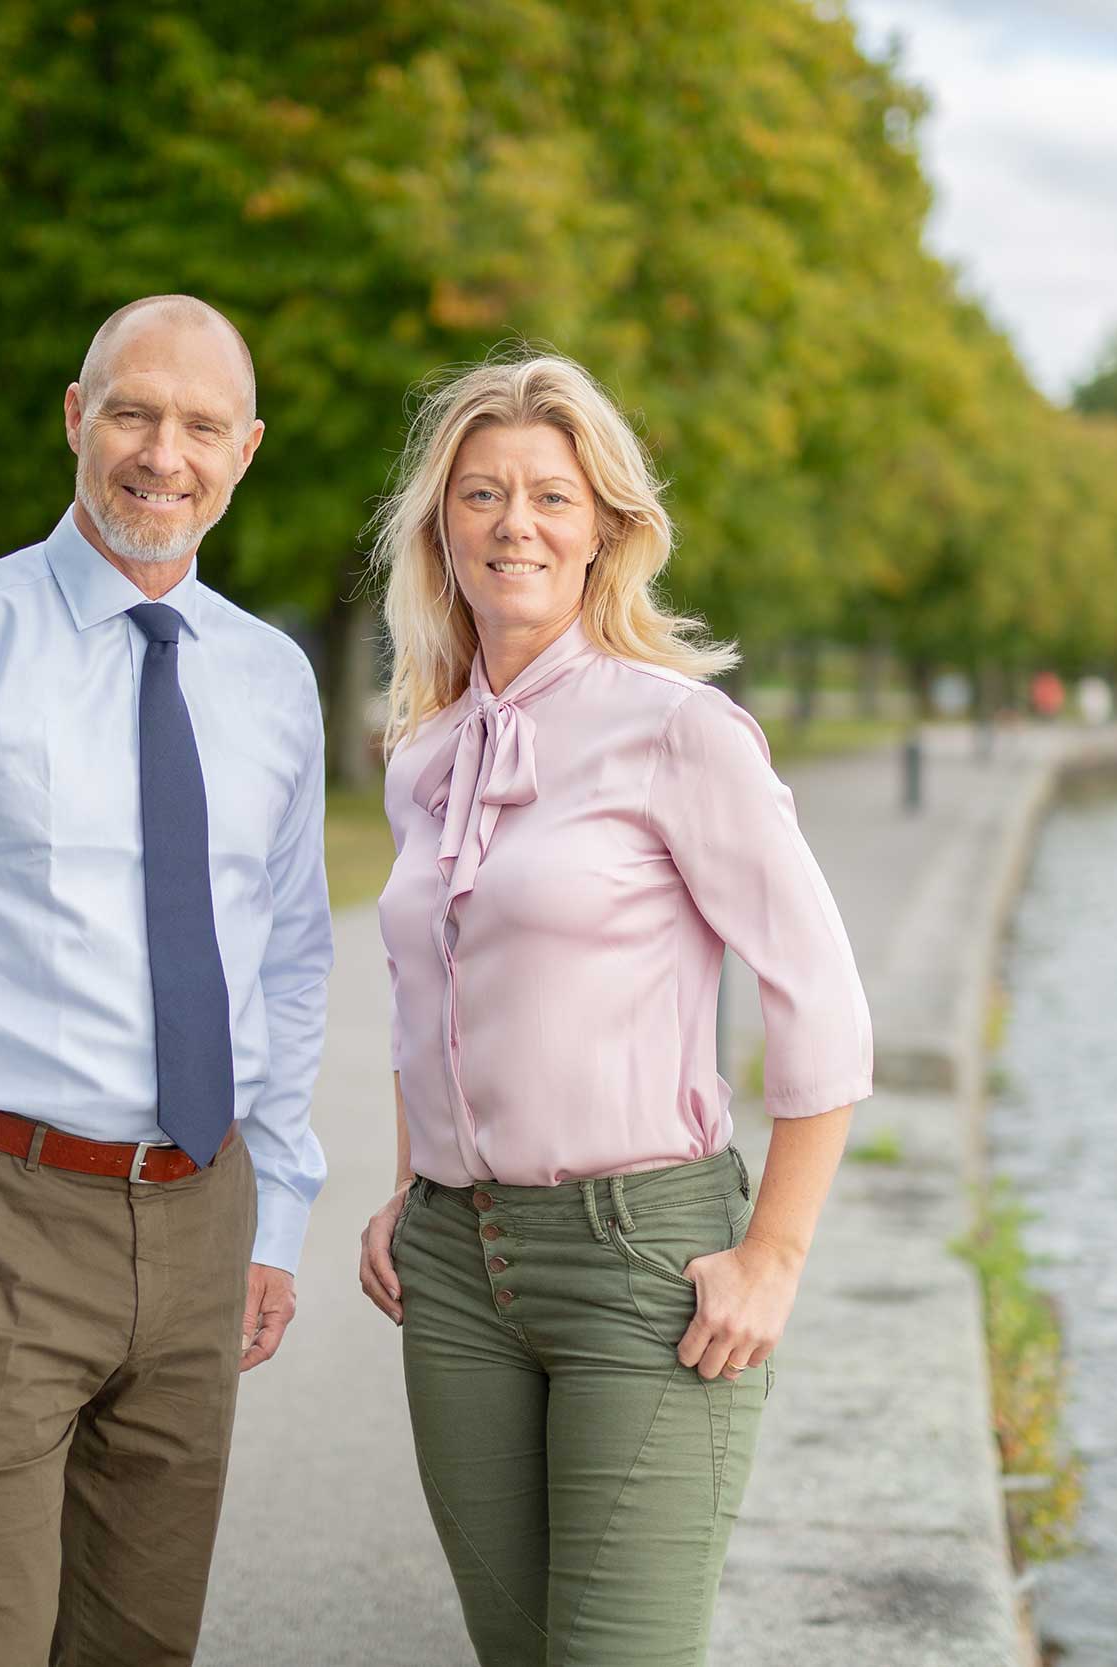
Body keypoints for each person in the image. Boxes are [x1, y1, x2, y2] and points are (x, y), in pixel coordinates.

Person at [0, 294, 333, 1665]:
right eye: (135, 411)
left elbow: (285, 959)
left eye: (202, 424)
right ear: (76, 417)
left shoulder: (273, 680)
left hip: (202, 1217)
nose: (165, 453)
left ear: (247, 449)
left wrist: (278, 1215)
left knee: (141, 1646)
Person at [356, 354, 872, 1666]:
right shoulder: (421, 756)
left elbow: (820, 1000)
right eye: (480, 495)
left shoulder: (679, 731)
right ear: (439, 530)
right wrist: (410, 1186)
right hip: (455, 1269)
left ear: (604, 532)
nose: (513, 524)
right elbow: (432, 990)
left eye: (549, 496)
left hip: (647, 1265)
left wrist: (775, 1258)